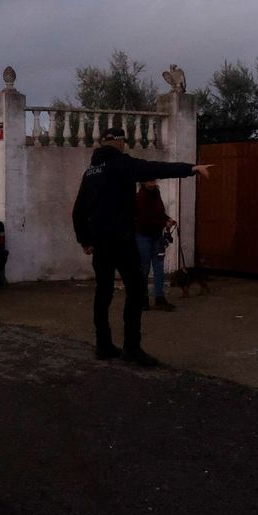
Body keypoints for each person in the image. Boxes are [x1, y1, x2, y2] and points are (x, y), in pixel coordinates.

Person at [71, 126, 210, 366]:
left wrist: (85, 240)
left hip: (101, 243)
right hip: (122, 240)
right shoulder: (121, 164)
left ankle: (103, 346)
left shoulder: (90, 172)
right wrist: (191, 169)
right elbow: (154, 168)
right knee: (135, 291)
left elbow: (78, 210)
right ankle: (132, 349)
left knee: (102, 292)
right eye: (123, 141)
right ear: (120, 142)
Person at [134, 180, 177, 311]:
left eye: (154, 180)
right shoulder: (140, 197)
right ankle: (143, 298)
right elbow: (145, 219)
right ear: (143, 182)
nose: (153, 183)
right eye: (150, 181)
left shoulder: (156, 193)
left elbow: (159, 212)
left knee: (158, 267)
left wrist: (167, 218)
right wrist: (164, 223)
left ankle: (159, 298)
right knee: (144, 268)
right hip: (143, 235)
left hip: (156, 235)